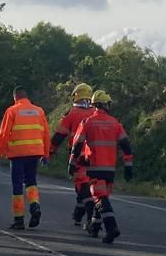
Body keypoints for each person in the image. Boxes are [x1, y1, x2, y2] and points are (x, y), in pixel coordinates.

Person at [73, 89, 132, 244]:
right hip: (110, 170)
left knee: (99, 199)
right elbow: (126, 145)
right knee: (103, 198)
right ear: (105, 104)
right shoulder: (115, 123)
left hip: (94, 168)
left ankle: (112, 228)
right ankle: (94, 227)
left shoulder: (87, 122)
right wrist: (128, 166)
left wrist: (72, 163)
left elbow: (77, 144)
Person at [0, 86, 49, 229]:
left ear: (15, 97)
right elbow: (46, 134)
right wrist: (46, 154)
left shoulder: (12, 111)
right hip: (35, 152)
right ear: (27, 96)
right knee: (31, 182)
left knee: (17, 185)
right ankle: (35, 205)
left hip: (17, 154)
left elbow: (4, 134)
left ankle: (19, 219)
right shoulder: (39, 111)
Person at [52, 83, 98, 228]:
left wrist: (49, 152)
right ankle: (78, 213)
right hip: (97, 157)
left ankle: (89, 215)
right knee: (91, 185)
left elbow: (60, 135)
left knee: (82, 187)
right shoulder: (97, 112)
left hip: (78, 156)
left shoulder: (73, 114)